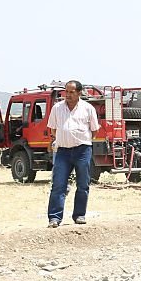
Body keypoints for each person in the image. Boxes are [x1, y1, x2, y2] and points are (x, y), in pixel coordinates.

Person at [47, 80, 101, 228]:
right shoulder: (57, 108)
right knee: (58, 185)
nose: (68, 95)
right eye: (66, 92)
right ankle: (54, 218)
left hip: (82, 150)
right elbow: (52, 129)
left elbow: (94, 130)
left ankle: (79, 215)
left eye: (71, 92)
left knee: (83, 184)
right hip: (62, 151)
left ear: (79, 93)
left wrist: (81, 138)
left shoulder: (88, 108)